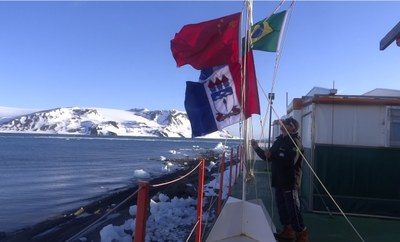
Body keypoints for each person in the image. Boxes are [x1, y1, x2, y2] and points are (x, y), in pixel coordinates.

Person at [251, 117, 309, 242]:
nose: (282, 124)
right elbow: (268, 157)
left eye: (285, 123)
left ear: (292, 126)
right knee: (282, 208)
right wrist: (257, 148)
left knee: (293, 209)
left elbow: (289, 161)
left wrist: (273, 155)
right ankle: (288, 231)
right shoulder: (279, 141)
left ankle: (302, 235)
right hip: (278, 180)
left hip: (289, 182)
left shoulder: (295, 142)